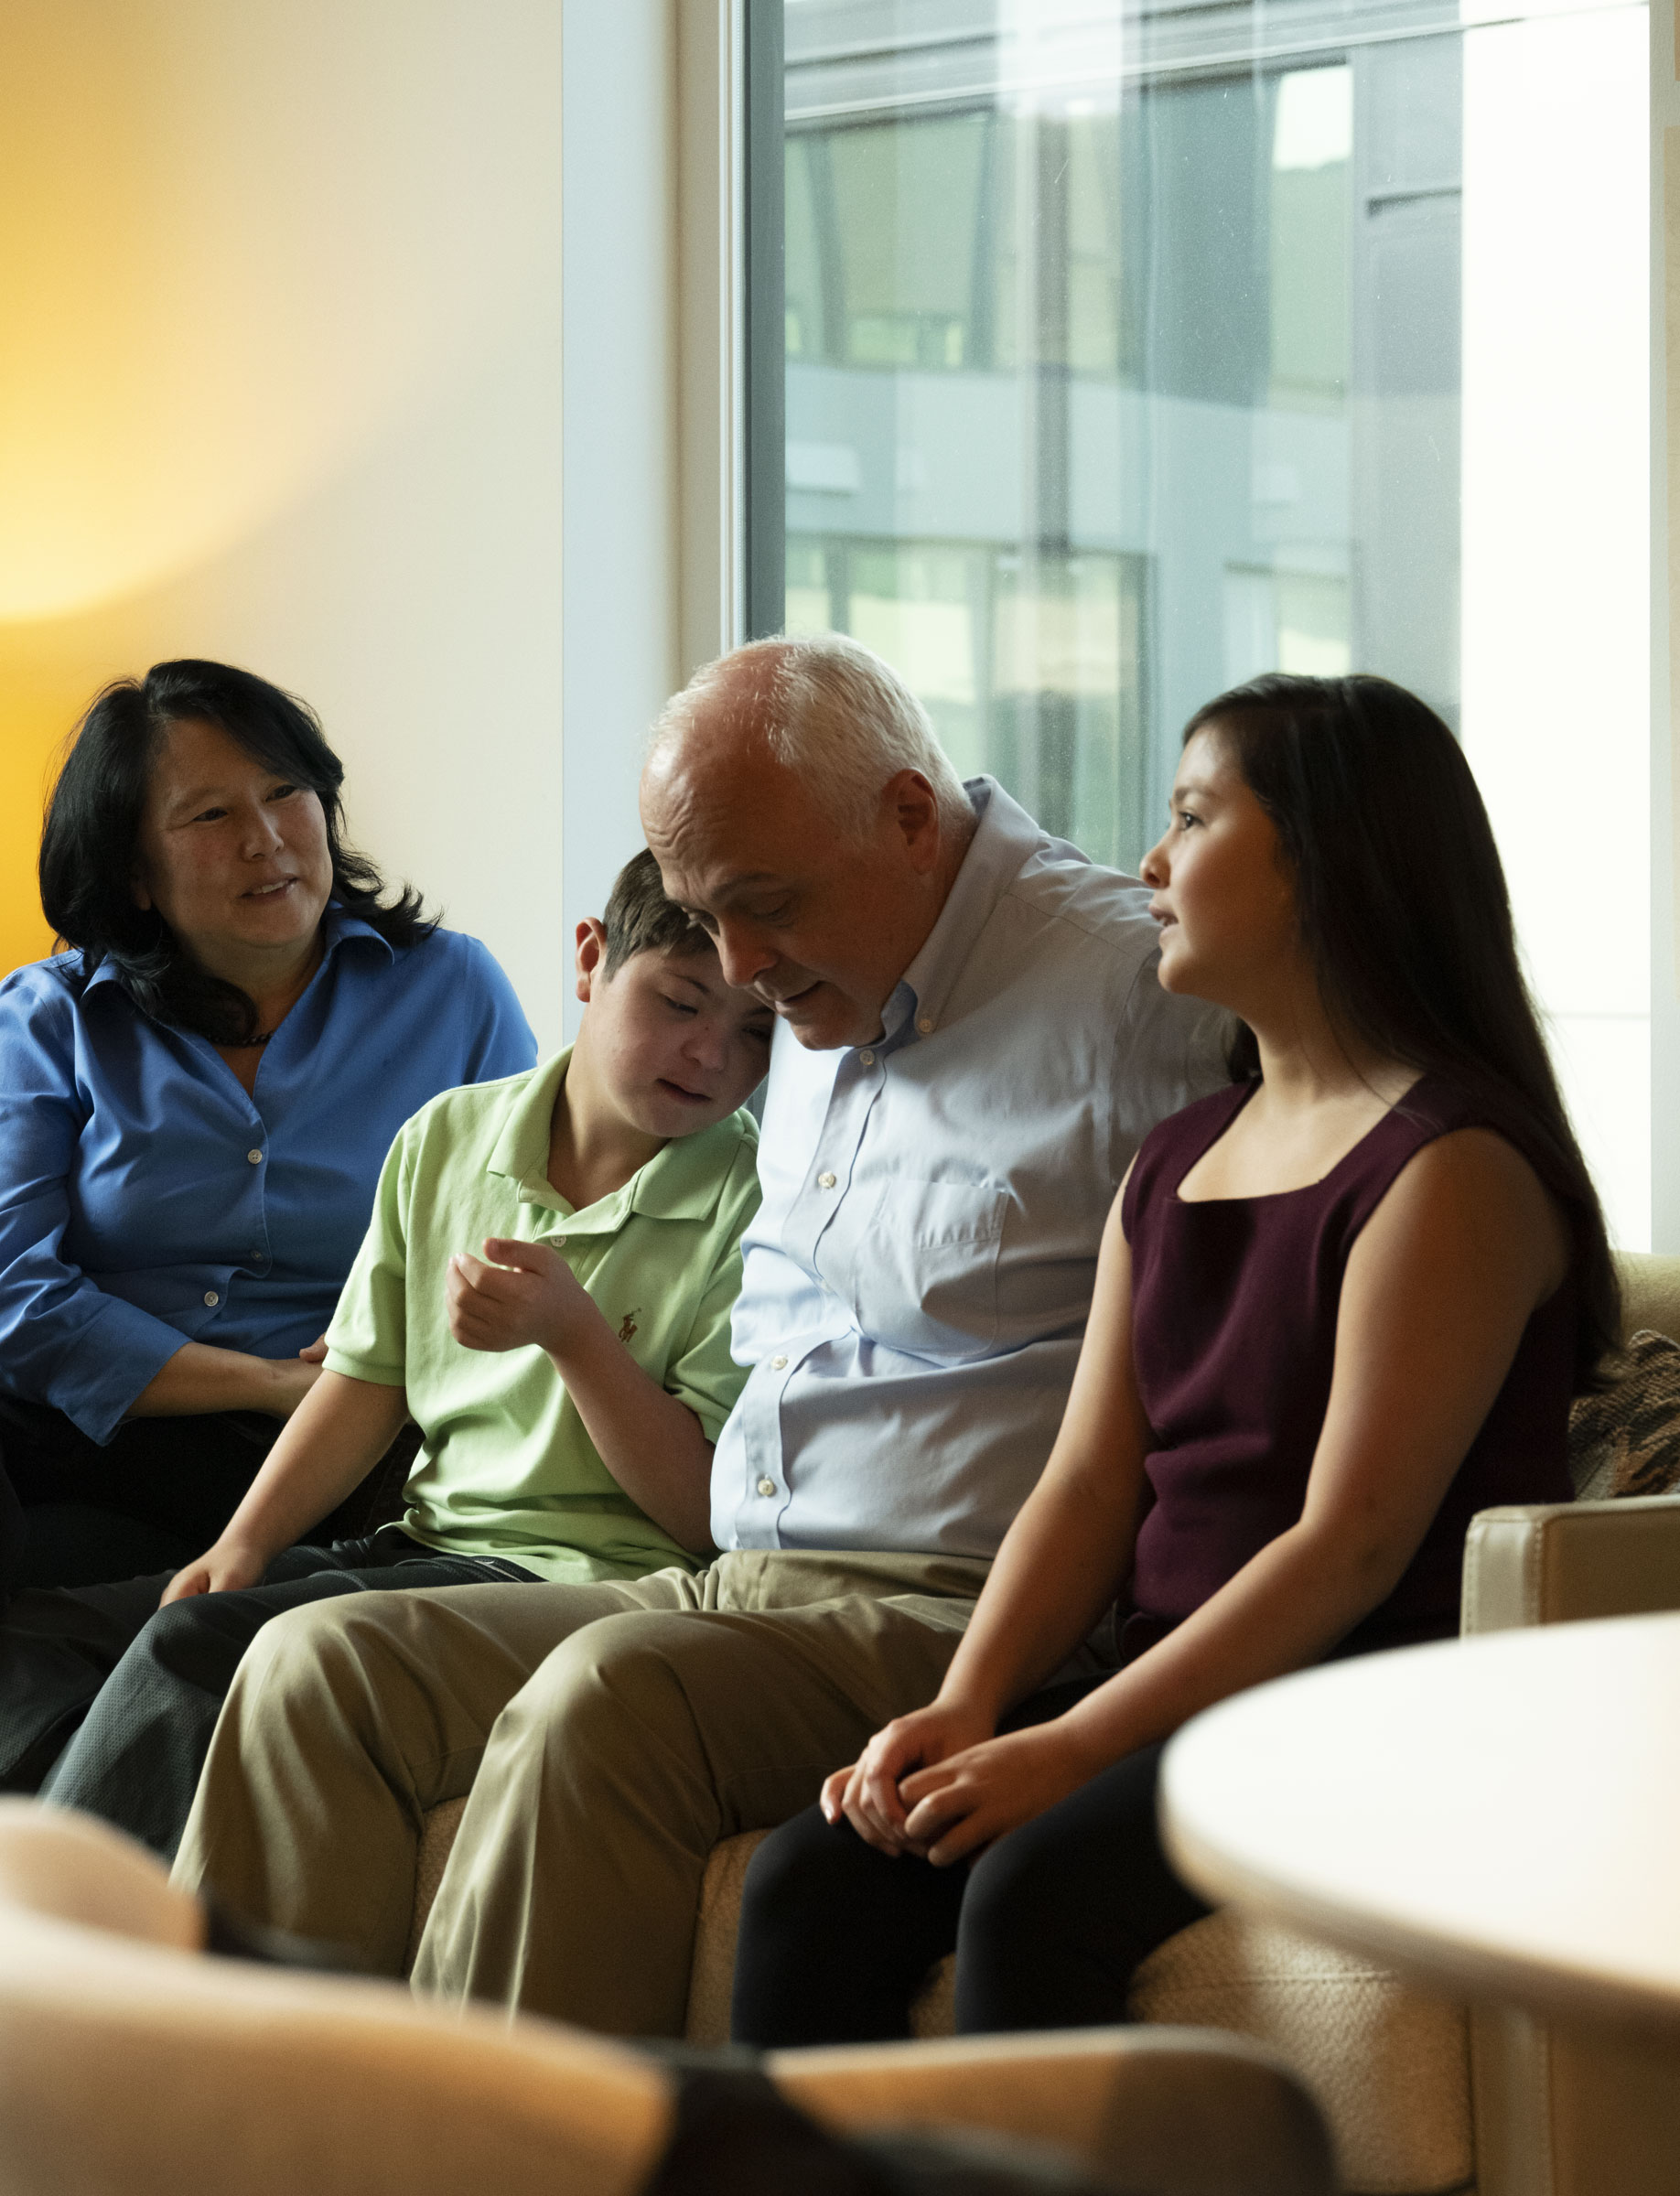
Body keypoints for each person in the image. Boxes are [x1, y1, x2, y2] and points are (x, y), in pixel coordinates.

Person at [167, 630, 1235, 2034]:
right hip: (736, 1586)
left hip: (951, 1609)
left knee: (607, 1697)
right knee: (316, 1669)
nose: (739, 971)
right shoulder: (807, 988)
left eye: (761, 905)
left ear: (910, 819)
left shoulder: (1127, 996)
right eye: (697, 919)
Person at [725, 672, 1617, 2048]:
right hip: (1178, 1688)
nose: (1149, 861)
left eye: (1194, 818)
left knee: (1030, 1889)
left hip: (1364, 1704)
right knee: (814, 1878)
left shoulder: (1452, 1170)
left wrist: (1076, 1747)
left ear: (1324, 864)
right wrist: (969, 1704)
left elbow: (1349, 1549)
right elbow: (1087, 1484)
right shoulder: (1181, 1156)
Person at [5, 852, 769, 1851]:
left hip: (575, 1578)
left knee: (198, 1651)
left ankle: (60, 1965)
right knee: (38, 1636)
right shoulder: (448, 1135)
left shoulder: (756, 1199)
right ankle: (77, 1892)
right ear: (590, 959)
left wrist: (577, 1339)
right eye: (680, 1003)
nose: (711, 1054)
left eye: (757, 1030)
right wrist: (242, 1545)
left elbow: (703, 1514)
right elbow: (365, 1383)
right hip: (422, 1545)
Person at [0, 661, 534, 1594]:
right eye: (210, 816)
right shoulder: (50, 1020)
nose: (267, 839)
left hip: (348, 1455)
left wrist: (361, 1380)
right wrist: (267, 1381)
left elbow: (523, 1233)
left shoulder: (451, 991)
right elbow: (14, 1293)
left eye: (287, 793)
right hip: (78, 1440)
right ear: (134, 873)